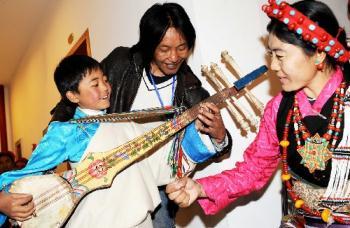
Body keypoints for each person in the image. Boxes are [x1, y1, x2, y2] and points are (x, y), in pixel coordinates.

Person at [166, 0, 350, 227]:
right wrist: (201, 187)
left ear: (319, 54)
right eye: (270, 55)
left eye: (280, 56)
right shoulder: (279, 109)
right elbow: (253, 170)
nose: (272, 66)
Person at [0, 55, 221, 227]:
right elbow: (25, 174)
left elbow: (161, 162)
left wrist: (199, 133)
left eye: (105, 80)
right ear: (73, 96)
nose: (105, 87)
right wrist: (3, 201)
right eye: (95, 84)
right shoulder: (67, 132)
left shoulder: (126, 123)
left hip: (142, 220)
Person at [101, 2, 232, 226]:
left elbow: (222, 149)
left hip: (158, 188)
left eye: (182, 47)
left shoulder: (193, 93)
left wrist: (220, 136)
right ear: (149, 45)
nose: (174, 57)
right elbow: (79, 93)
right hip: (110, 177)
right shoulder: (121, 63)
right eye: (164, 48)